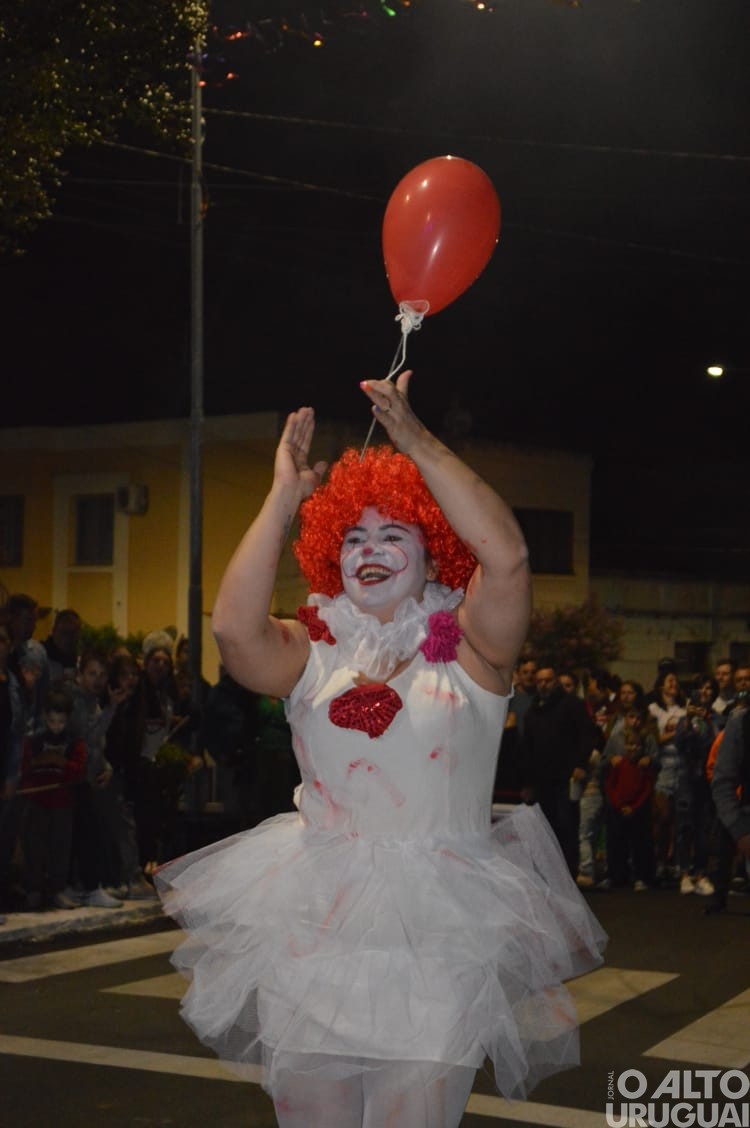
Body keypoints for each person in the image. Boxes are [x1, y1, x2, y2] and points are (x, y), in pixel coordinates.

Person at [155, 375, 606, 1128]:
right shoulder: (312, 652)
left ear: (435, 555)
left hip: (438, 937)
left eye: (393, 534)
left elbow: (513, 559)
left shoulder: (471, 652)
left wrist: (418, 443)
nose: (369, 551)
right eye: (354, 537)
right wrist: (282, 496)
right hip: (316, 931)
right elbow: (235, 633)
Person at [519, 664, 595, 875]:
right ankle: (549, 873)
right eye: (540, 681)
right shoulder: (533, 712)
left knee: (566, 827)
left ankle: (568, 873)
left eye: (548, 680)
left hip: (565, 779)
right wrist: (528, 782)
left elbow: (586, 736)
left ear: (556, 682)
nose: (543, 684)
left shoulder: (572, 705)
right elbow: (528, 748)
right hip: (542, 782)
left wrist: (580, 764)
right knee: (545, 829)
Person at [20, 689, 86, 909]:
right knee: (34, 847)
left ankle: (57, 889)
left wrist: (61, 764)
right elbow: (24, 769)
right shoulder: (35, 740)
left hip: (62, 802)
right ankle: (33, 890)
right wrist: (38, 764)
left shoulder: (73, 741)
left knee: (61, 847)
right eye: (51, 721)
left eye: (61, 721)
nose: (56, 726)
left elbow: (77, 771)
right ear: (44, 717)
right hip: (37, 800)